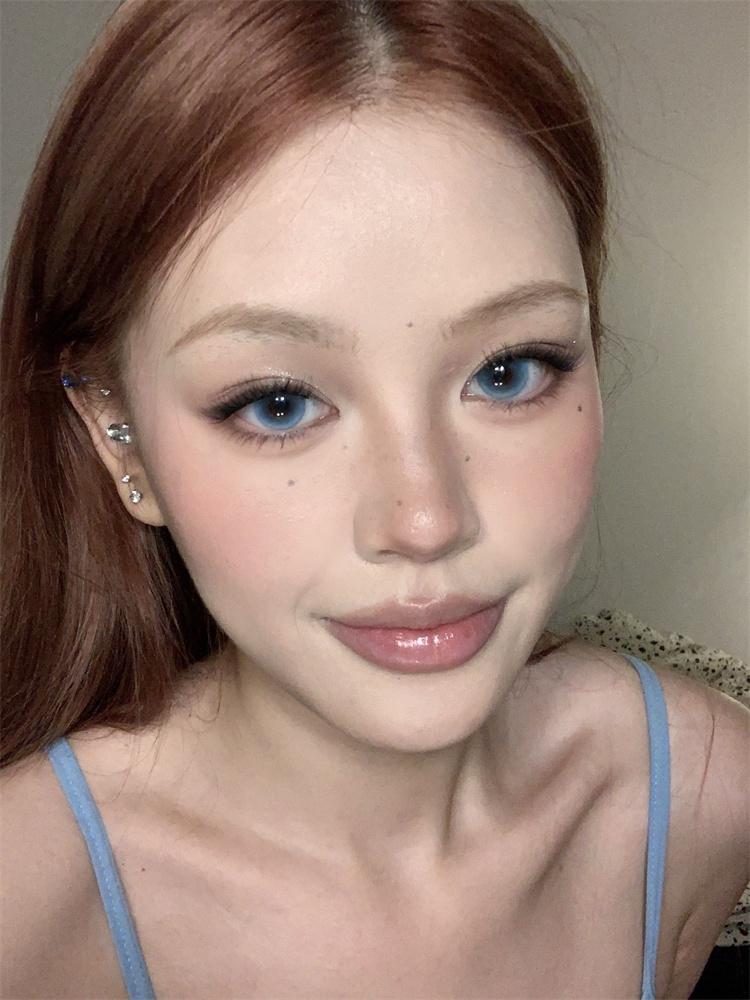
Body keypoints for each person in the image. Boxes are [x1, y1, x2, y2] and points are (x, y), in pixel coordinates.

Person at [1, 2, 747, 998]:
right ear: (116, 432)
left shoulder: (701, 793)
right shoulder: (24, 908)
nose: (426, 520)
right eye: (278, 401)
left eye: (509, 370)